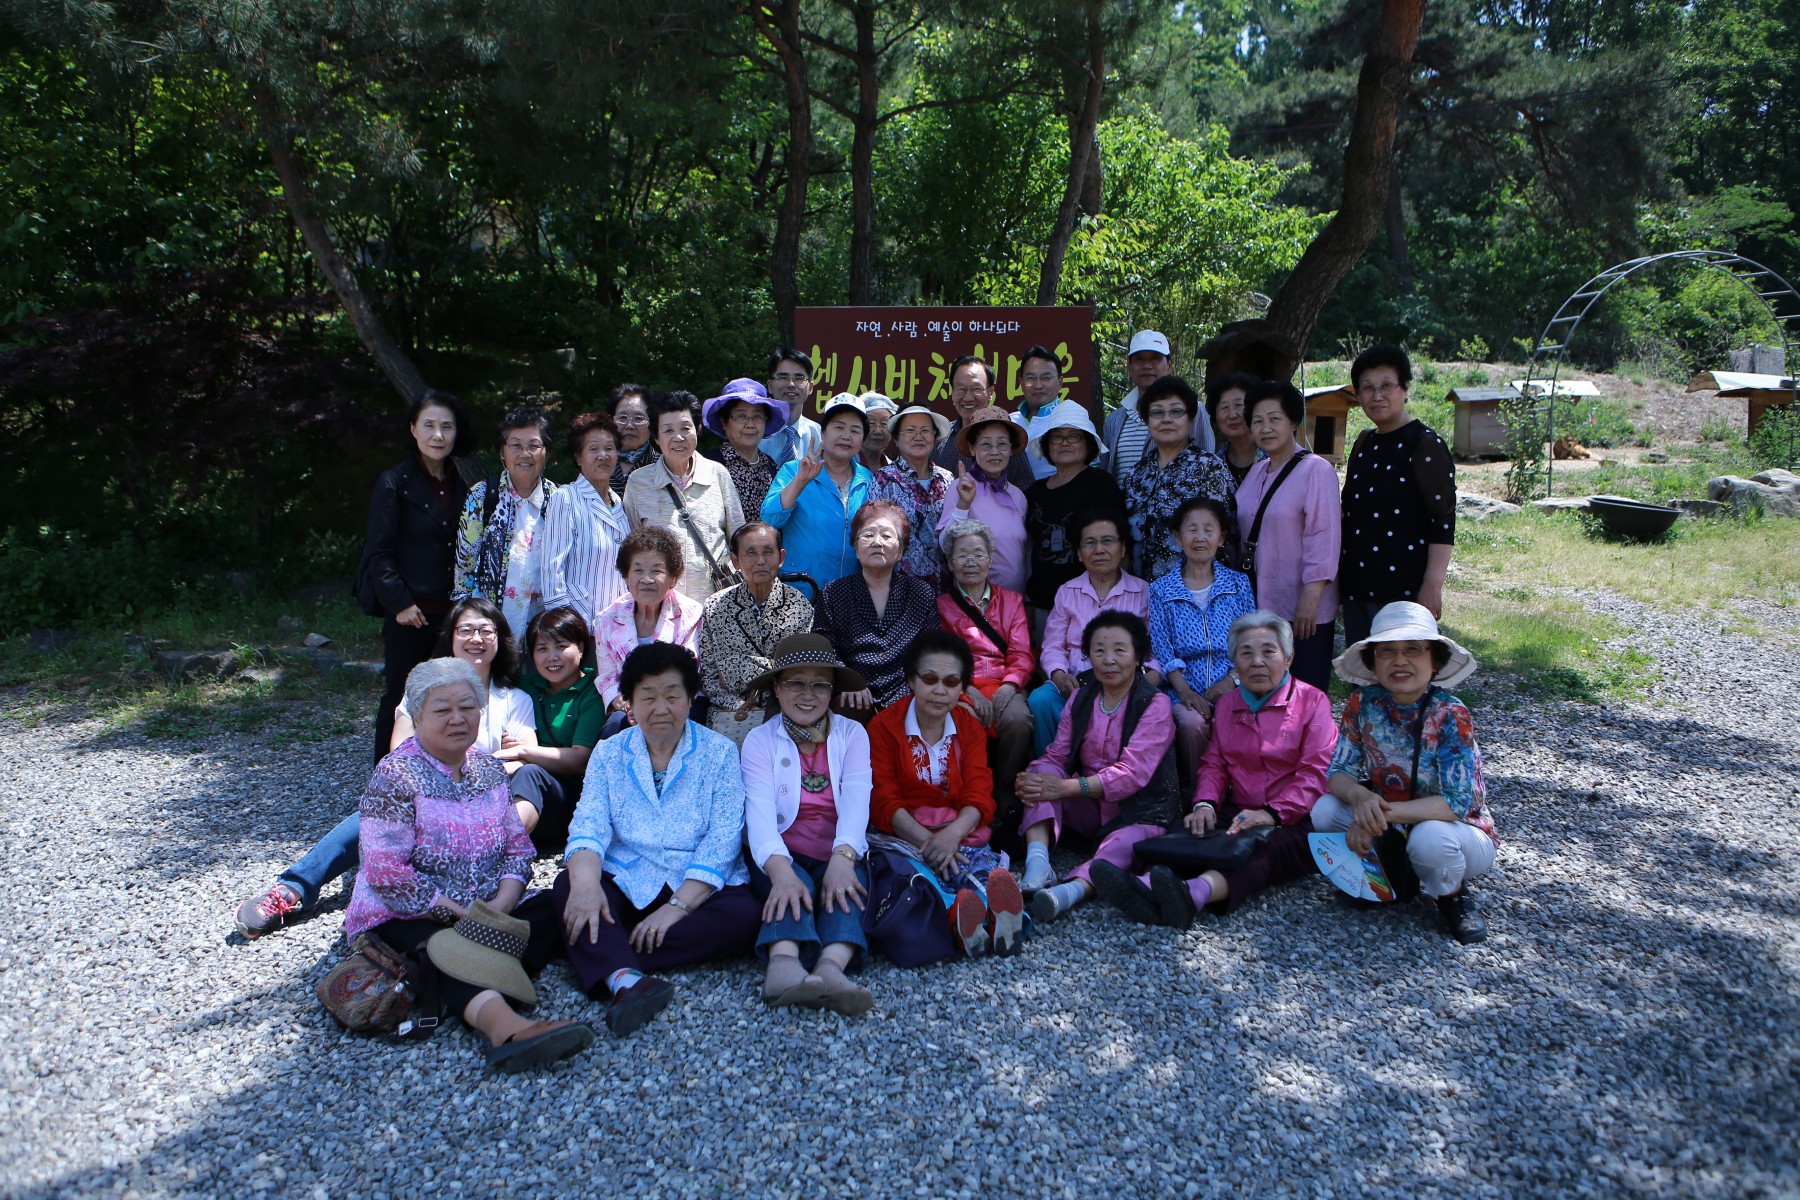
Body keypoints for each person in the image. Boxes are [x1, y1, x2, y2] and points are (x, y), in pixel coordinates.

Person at [343, 658, 597, 1071]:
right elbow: (387, 873)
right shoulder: (395, 777)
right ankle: (505, 1027)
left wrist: (502, 904)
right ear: (418, 715)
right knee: (442, 948)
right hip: (411, 911)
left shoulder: (488, 770)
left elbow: (518, 848)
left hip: (484, 906)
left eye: (468, 707)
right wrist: (462, 916)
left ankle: (495, 957)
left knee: (562, 902)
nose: (458, 719)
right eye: (443, 710)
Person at [233, 598, 537, 937]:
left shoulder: (514, 699)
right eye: (465, 630)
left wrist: (477, 774)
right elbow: (400, 751)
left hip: (481, 799)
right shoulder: (422, 689)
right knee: (377, 815)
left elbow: (526, 756)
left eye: (486, 630)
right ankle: (293, 887)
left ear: (501, 638)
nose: (476, 638)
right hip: (422, 790)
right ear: (450, 637)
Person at [555, 643, 760, 1036]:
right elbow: (589, 823)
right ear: (629, 703)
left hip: (697, 886)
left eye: (672, 695)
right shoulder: (609, 753)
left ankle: (606, 955)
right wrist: (584, 885)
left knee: (745, 917)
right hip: (632, 877)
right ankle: (627, 982)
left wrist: (676, 909)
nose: (661, 708)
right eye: (647, 696)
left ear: (690, 699)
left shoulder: (719, 752)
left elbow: (723, 839)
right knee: (568, 885)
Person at [1087, 610, 1337, 929]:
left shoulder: (1313, 701)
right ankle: (1147, 885)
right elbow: (1215, 762)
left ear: (1288, 658)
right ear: (1234, 661)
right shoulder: (1230, 703)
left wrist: (1272, 815)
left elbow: (1316, 773)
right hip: (1239, 806)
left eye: (1268, 651)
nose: (1257, 661)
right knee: (1185, 828)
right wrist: (1204, 803)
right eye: (1246, 653)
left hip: (1295, 817)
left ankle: (1193, 894)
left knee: (1261, 848)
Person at [1313, 602, 1496, 944]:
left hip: (1456, 830)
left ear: (1435, 659)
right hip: (1391, 821)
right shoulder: (1362, 703)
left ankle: (1453, 896)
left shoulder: (1451, 713)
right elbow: (1337, 771)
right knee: (1324, 810)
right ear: (1373, 661)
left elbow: (1455, 804)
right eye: (1387, 651)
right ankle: (1391, 879)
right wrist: (1359, 795)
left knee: (1430, 839)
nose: (1400, 660)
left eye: (1414, 649)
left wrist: (1370, 816)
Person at [867, 630, 1026, 958]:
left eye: (952, 682)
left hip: (957, 833)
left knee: (973, 866)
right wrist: (929, 842)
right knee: (921, 878)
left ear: (962, 688)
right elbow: (883, 797)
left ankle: (996, 920)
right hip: (905, 836)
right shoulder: (883, 727)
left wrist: (951, 836)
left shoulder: (969, 728)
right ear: (911, 680)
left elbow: (979, 793)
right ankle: (969, 918)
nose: (940, 691)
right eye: (930, 678)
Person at [740, 634, 876, 1013]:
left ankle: (832, 966)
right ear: (778, 690)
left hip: (835, 848)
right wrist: (781, 871)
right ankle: (783, 965)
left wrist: (844, 857)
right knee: (787, 885)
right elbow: (760, 813)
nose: (808, 694)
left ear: (832, 691)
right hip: (782, 848)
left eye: (820, 684)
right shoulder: (759, 740)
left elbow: (856, 800)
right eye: (795, 683)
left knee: (850, 888)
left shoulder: (852, 734)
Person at [1017, 613, 1181, 914]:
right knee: (1041, 773)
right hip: (1089, 805)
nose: (1108, 660)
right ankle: (1038, 863)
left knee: (1129, 839)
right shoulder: (1080, 697)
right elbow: (1057, 755)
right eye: (1099, 650)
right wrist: (1033, 778)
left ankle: (1071, 891)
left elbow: (1133, 775)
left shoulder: (1154, 703)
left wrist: (1065, 787)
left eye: (1120, 650)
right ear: (1087, 654)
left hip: (1139, 808)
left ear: (1138, 656)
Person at [357, 388, 473, 762]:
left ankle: (437, 773)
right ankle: (385, 778)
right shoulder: (395, 482)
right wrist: (400, 603)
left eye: (447, 427)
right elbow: (379, 551)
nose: (438, 435)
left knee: (447, 696)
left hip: (451, 612)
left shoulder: (462, 483)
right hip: (411, 612)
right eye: (429, 426)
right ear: (413, 429)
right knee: (402, 696)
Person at [1339, 344, 1457, 646]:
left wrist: (1433, 584)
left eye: (1386, 386)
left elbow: (1442, 519)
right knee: (1363, 679)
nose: (1377, 396)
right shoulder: (1364, 442)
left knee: (1403, 679)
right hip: (1358, 585)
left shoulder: (1425, 443)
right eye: (1367, 388)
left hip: (1404, 589)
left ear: (1405, 389)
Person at [1237, 379, 1341, 693]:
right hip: (1260, 602)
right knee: (1266, 689)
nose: (1265, 428)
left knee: (1304, 690)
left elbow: (1324, 535)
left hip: (1302, 606)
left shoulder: (1316, 470)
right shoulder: (1256, 471)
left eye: (1274, 419)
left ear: (1293, 422)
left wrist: (1311, 597)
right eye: (1257, 421)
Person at [1027, 509, 1157, 755]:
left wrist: (1145, 681)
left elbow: (1155, 649)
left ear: (1123, 548)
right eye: (1089, 543)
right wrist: (1058, 675)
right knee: (1040, 700)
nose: (1099, 549)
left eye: (1108, 541)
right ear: (1078, 552)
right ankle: (1051, 772)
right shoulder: (1067, 591)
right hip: (1073, 683)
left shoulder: (1144, 592)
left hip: (1124, 684)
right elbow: (1053, 645)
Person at [1148, 496, 1256, 784]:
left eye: (1209, 530)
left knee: (1240, 716)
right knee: (1192, 722)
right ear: (1177, 536)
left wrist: (1229, 682)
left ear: (1221, 538)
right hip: (1183, 688)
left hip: (1234, 683)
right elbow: (1162, 648)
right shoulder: (1161, 589)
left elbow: (1250, 641)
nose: (1200, 537)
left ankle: (1241, 790)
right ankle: (1201, 794)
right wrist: (1185, 693)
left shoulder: (1238, 584)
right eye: (1191, 529)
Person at [937, 520, 1035, 833]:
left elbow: (1022, 654)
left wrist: (1009, 687)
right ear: (951, 564)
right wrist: (968, 691)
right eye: (962, 555)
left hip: (1004, 683)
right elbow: (944, 660)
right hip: (961, 687)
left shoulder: (1012, 601)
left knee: (1019, 721)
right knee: (961, 722)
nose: (970, 562)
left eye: (978, 554)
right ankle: (968, 796)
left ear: (990, 559)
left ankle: (1004, 786)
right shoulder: (941, 605)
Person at [812, 500, 940, 713]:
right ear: (855, 547)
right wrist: (848, 681)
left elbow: (930, 651)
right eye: (868, 535)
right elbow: (825, 648)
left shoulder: (921, 594)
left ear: (901, 550)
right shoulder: (833, 593)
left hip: (905, 691)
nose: (877, 542)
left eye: (887, 536)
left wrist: (911, 688)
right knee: (849, 708)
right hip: (852, 694)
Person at [623, 390, 746, 605]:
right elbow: (631, 546)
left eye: (685, 428)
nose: (678, 437)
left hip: (716, 603)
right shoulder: (638, 482)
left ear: (698, 429)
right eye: (668, 430)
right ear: (656, 437)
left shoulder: (718, 474)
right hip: (662, 606)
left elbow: (739, 538)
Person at [699, 522, 814, 746]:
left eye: (768, 552)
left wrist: (736, 667)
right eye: (750, 553)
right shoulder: (716, 607)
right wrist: (739, 705)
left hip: (784, 711)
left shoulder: (799, 605)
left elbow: (798, 671)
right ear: (735, 560)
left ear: (781, 557)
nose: (760, 561)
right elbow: (711, 675)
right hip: (729, 714)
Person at [454, 404, 560, 638]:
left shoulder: (559, 500)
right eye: (515, 445)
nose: (525, 453)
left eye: (534, 445)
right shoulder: (482, 496)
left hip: (543, 632)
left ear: (547, 452)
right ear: (503, 452)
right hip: (490, 630)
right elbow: (464, 568)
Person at [1120, 375, 1237, 583]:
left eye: (1176, 411)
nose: (1166, 419)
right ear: (1146, 420)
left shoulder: (1208, 469)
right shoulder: (1136, 475)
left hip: (1192, 596)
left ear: (1190, 419)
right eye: (1157, 412)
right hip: (1140, 595)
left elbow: (1226, 539)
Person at [509, 605, 605, 850]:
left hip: (567, 804)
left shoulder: (593, 693)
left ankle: (503, 849)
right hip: (520, 795)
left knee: (530, 773)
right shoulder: (525, 688)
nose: (552, 657)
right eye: (542, 649)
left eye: (561, 646)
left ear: (581, 648)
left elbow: (579, 759)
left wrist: (524, 751)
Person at [593, 528, 704, 732]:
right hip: (629, 705)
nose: (646, 579)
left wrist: (652, 705)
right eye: (638, 570)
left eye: (656, 570)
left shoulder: (692, 615)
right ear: (626, 576)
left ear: (673, 577)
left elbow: (690, 673)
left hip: (678, 702)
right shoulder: (606, 619)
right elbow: (607, 678)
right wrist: (629, 705)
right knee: (613, 728)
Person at [1022, 403, 1124, 624]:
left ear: (1088, 444)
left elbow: (1119, 541)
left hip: (1094, 601)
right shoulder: (1033, 493)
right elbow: (1029, 547)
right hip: (1044, 602)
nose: (1065, 442)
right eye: (1057, 437)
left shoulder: (1101, 484)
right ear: (1047, 445)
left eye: (1074, 436)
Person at [760, 394, 874, 588]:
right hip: (802, 588)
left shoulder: (868, 478)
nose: (846, 436)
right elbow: (770, 519)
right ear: (823, 433)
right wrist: (800, 481)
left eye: (855, 430)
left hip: (850, 591)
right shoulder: (793, 470)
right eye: (839, 427)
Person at [541, 410, 631, 633]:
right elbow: (552, 569)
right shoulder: (565, 498)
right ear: (578, 457)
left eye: (609, 448)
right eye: (593, 449)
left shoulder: (619, 502)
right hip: (581, 625)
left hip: (619, 627)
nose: (603, 455)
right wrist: (565, 628)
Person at [935, 406, 1030, 593]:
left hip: (1014, 605)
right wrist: (964, 504)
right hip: (975, 601)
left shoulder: (1018, 495)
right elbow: (945, 544)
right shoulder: (960, 488)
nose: (995, 451)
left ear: (1011, 450)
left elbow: (1025, 553)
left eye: (1002, 444)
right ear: (972, 448)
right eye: (986, 444)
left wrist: (1027, 600)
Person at [1100, 329, 1213, 479]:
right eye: (1139, 359)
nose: (1147, 366)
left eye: (1155, 358)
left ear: (1169, 364)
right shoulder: (1114, 420)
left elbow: (1207, 462)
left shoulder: (1192, 411)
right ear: (1129, 367)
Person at [870, 404, 955, 583]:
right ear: (897, 439)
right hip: (899, 589)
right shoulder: (884, 479)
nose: (918, 436)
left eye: (925, 430)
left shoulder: (947, 478)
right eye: (910, 430)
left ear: (934, 436)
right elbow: (873, 534)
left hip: (946, 588)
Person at [929, 355, 1035, 487]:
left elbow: (1026, 492)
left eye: (976, 389)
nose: (968, 398)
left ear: (990, 392)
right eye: (961, 389)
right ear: (952, 392)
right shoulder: (939, 440)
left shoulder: (1007, 440)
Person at [703, 377, 786, 517]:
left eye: (757, 417)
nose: (750, 424)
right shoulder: (709, 465)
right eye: (741, 416)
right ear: (724, 422)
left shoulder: (771, 466)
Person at [1010, 344, 1069, 481]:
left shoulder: (1072, 421)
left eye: (1046, 378)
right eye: (1031, 378)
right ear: (1021, 382)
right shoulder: (1010, 422)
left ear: (1060, 382)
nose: (1038, 385)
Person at [759, 348, 823, 468]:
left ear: (810, 387)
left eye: (799, 378)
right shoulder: (755, 432)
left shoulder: (819, 434)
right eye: (783, 378)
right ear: (770, 386)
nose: (791, 384)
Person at [1206, 371, 1264, 488]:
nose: (1232, 415)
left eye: (1239, 405)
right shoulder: (1212, 466)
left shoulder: (1273, 457)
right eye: (1224, 407)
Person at [607, 383, 658, 493]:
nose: (629, 425)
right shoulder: (599, 463)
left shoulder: (664, 467)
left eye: (638, 418)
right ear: (611, 421)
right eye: (622, 417)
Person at [858, 391, 898, 469]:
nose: (878, 431)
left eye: (884, 423)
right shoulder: (845, 465)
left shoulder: (893, 470)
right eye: (871, 423)